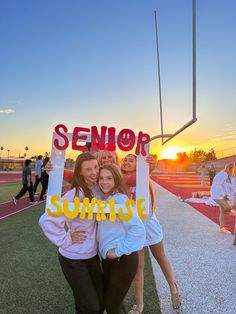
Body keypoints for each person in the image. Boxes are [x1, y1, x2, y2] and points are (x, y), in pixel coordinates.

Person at [39, 153, 105, 314]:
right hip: (73, 258)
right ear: (80, 172)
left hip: (92, 256)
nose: (94, 172)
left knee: (95, 302)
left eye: (96, 167)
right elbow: (46, 220)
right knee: (92, 306)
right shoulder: (74, 195)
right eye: (88, 169)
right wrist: (66, 238)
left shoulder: (98, 189)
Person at [121, 154, 181, 313]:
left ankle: (173, 289)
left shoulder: (142, 177)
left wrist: (151, 165)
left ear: (137, 164)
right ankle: (140, 304)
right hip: (134, 228)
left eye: (130, 160)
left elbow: (148, 169)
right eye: (124, 160)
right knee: (138, 266)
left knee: (160, 257)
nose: (126, 162)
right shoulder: (120, 180)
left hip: (149, 225)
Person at [90, 164, 145, 313]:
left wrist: (118, 250)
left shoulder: (120, 199)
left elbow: (138, 229)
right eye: (101, 178)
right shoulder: (107, 199)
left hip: (123, 259)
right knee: (114, 303)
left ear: (116, 179)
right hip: (111, 260)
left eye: (109, 178)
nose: (104, 182)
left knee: (112, 305)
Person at [210, 163, 236, 234]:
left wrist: (231, 197)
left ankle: (222, 228)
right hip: (217, 195)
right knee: (227, 207)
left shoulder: (231, 177)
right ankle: (233, 212)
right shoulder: (223, 174)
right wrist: (224, 194)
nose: (232, 170)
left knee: (223, 211)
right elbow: (217, 185)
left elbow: (232, 188)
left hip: (224, 196)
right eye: (231, 168)